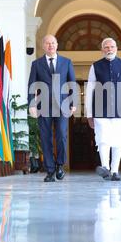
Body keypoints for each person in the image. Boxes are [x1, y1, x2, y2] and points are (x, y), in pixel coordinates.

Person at [86, 37, 121, 181]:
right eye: (106, 47)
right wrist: (89, 114)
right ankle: (105, 168)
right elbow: (90, 89)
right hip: (100, 109)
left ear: (116, 48)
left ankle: (115, 171)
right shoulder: (95, 66)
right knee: (103, 139)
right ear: (102, 50)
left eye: (112, 47)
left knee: (118, 140)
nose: (109, 49)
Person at [28, 35, 77, 182]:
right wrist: (32, 104)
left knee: (61, 135)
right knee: (45, 138)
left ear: (57, 45)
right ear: (43, 46)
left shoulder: (66, 62)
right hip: (44, 106)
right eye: (48, 43)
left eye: (53, 43)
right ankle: (49, 170)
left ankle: (60, 165)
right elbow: (32, 85)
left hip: (62, 105)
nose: (51, 45)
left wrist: (73, 102)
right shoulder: (36, 64)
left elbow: (72, 83)